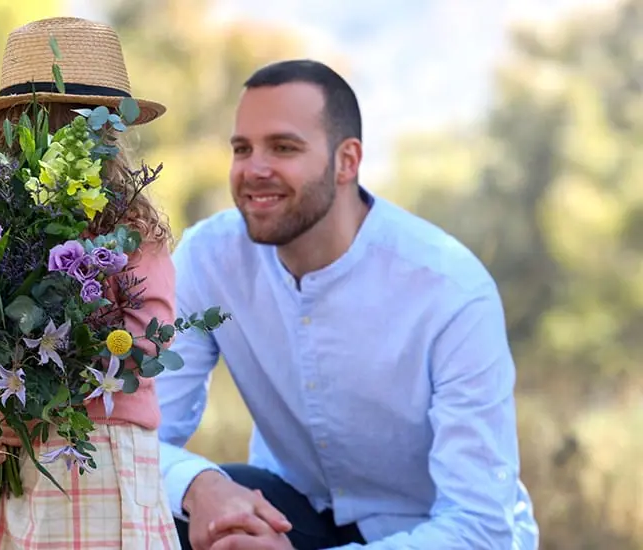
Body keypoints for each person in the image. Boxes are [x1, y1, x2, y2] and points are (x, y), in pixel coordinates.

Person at [156, 59, 540, 549]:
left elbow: (481, 527)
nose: (255, 168)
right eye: (242, 148)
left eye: (284, 147)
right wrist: (198, 485)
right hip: (295, 511)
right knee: (188, 512)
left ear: (347, 161)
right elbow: (138, 430)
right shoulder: (210, 258)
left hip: (429, 534)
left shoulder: (450, 292)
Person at [0, 17, 181, 549]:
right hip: (15, 457)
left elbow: (143, 342)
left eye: (79, 125)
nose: (64, 139)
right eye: (45, 121)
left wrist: (27, 384)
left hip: (98, 457)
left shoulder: (132, 231)